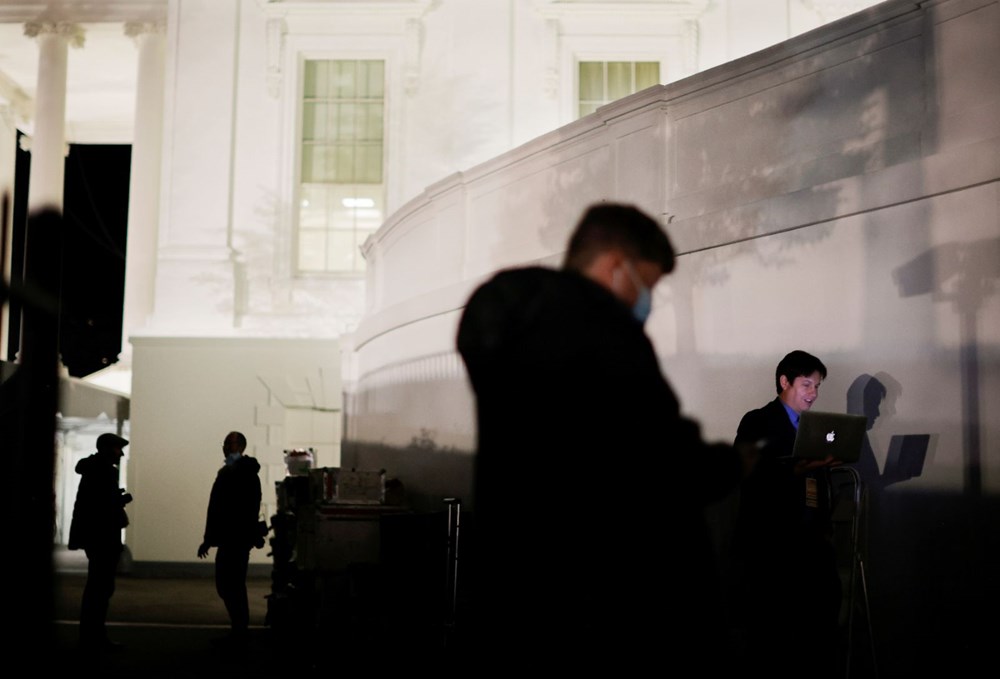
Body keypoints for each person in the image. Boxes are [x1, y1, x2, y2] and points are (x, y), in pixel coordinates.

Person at [456, 203, 748, 668]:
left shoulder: (506, 331)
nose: (646, 301)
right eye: (647, 285)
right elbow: (664, 465)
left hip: (521, 594)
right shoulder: (606, 335)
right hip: (616, 608)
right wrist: (732, 463)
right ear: (615, 266)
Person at [732, 350, 842, 678]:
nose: (813, 393)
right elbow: (747, 474)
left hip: (810, 544)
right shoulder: (758, 421)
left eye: (817, 386)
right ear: (785, 382)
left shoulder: (813, 429)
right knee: (772, 636)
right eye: (807, 384)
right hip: (771, 546)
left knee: (819, 621)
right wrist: (797, 470)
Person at [197, 431, 265, 642]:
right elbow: (216, 508)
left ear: (241, 447)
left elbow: (234, 508)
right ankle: (239, 627)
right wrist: (209, 538)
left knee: (231, 584)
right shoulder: (229, 472)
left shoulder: (242, 474)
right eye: (225, 443)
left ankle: (240, 628)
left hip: (236, 538)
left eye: (231, 443)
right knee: (228, 584)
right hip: (232, 538)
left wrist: (212, 537)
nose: (226, 447)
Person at [68, 432, 133, 650]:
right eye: (117, 449)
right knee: (101, 588)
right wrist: (120, 500)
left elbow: (93, 504)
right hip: (103, 538)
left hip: (95, 538)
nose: (121, 453)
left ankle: (91, 636)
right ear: (107, 449)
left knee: (97, 587)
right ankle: (94, 637)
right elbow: (102, 508)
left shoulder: (93, 469)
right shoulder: (104, 472)